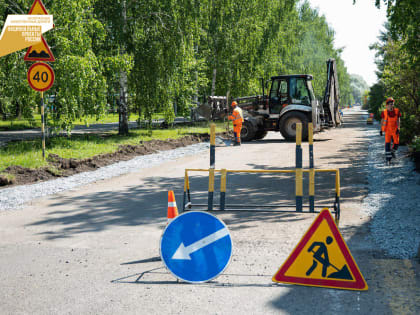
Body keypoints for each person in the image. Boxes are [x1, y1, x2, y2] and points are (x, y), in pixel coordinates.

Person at [380, 97, 401, 163]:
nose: (391, 105)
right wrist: (381, 130)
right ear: (387, 105)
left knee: (396, 143)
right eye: (390, 104)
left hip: (395, 129)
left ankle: (392, 152)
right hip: (387, 130)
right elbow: (382, 121)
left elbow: (398, 120)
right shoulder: (384, 112)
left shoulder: (397, 111)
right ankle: (388, 159)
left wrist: (398, 128)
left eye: (392, 104)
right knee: (387, 144)